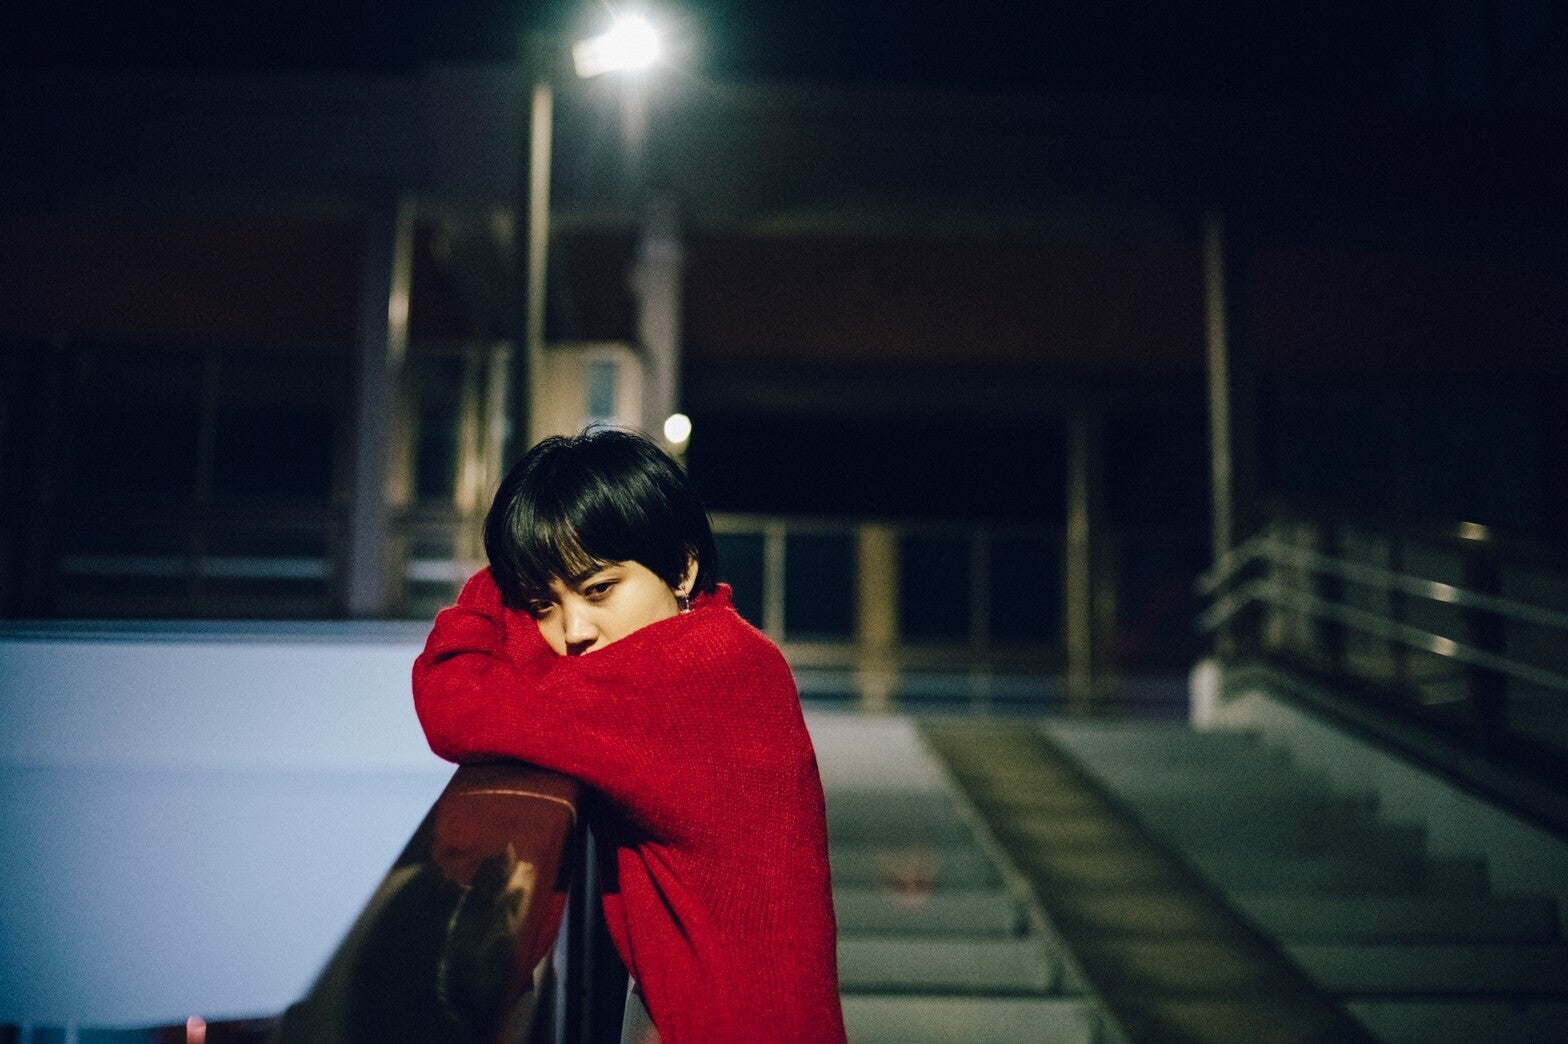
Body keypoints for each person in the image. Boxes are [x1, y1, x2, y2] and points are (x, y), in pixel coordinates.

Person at [412, 428, 846, 1044]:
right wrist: (531, 567)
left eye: (599, 590)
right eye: (544, 604)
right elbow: (526, 676)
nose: (574, 631)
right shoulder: (723, 646)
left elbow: (454, 701)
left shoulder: (695, 672)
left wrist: (501, 579)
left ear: (682, 569)